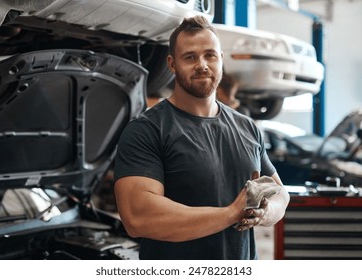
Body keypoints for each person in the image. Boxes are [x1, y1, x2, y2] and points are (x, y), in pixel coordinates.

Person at [113, 15, 290, 260]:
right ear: (172, 64)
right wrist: (231, 213)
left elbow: (280, 193)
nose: (202, 64)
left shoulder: (247, 128)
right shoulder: (147, 130)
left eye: (210, 55)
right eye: (190, 57)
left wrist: (265, 211)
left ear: (221, 60)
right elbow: (139, 217)